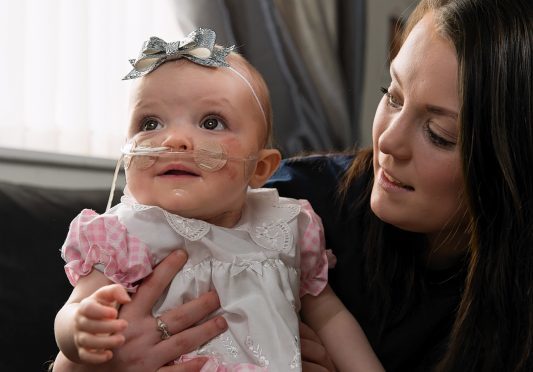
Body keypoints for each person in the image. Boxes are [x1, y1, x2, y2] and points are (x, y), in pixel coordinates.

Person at [53, 0, 533, 370]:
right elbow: (75, 329)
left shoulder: (286, 228)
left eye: (439, 134)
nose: (387, 140)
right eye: (392, 95)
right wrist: (91, 358)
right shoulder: (295, 195)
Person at [53, 29, 384, 372]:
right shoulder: (127, 234)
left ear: (259, 169)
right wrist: (80, 329)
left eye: (211, 122)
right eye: (150, 122)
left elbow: (331, 318)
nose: (175, 140)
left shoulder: (286, 226)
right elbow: (73, 308)